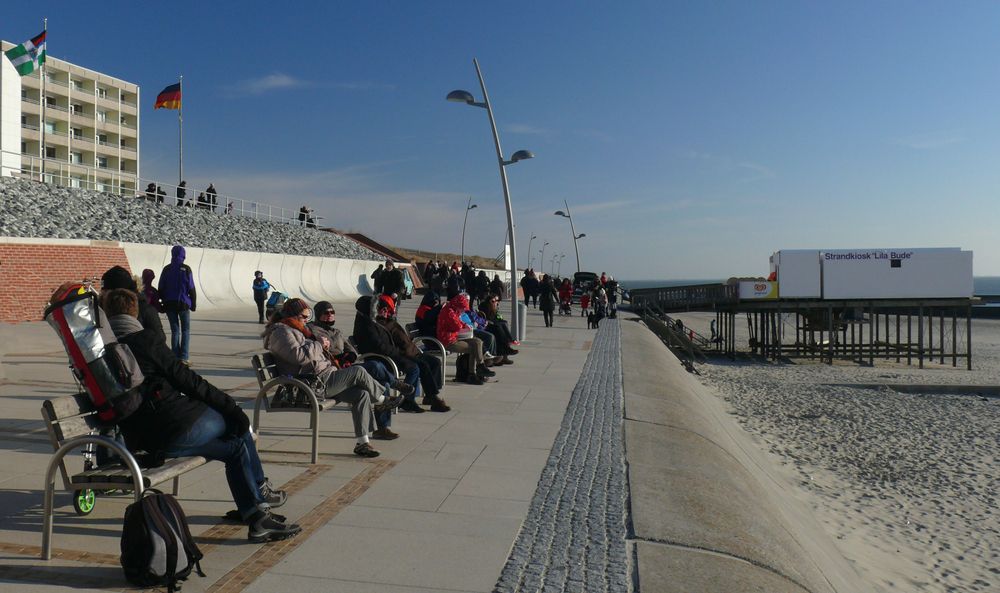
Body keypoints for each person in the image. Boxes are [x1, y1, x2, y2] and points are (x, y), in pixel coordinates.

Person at [102, 288, 300, 543]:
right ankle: (258, 507)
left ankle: (254, 510)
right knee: (237, 428)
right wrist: (232, 408)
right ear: (134, 312)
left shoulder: (101, 351)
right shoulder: (145, 341)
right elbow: (189, 381)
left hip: (144, 441)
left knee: (234, 446)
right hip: (173, 428)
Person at [263, 299, 402, 457]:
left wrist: (322, 347)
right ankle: (382, 400)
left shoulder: (296, 328)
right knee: (358, 371)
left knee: (361, 394)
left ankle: (363, 443)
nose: (306, 320)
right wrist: (319, 345)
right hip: (310, 384)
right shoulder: (282, 332)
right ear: (293, 315)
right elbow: (298, 356)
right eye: (304, 316)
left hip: (322, 377)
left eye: (308, 316)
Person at [307, 301, 412, 439]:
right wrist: (340, 354)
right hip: (333, 371)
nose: (330, 316)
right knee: (374, 366)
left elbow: (348, 347)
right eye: (326, 313)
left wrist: (350, 355)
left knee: (383, 382)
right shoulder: (314, 330)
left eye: (332, 312)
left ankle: (382, 428)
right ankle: (396, 385)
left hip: (345, 367)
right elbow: (329, 348)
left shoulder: (336, 331)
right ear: (318, 315)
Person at [353, 295, 450, 413]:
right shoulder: (368, 325)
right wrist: (399, 354)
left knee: (432, 362)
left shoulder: (373, 321)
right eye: (381, 309)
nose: (385, 312)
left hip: (394, 355)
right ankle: (408, 400)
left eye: (386, 309)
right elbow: (380, 346)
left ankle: (428, 396)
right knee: (416, 367)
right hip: (383, 359)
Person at [101, 265, 166, 344]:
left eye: (107, 292)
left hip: (138, 353)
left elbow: (159, 339)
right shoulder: (99, 309)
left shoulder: (144, 308)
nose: (103, 295)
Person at [437, 292, 490, 384]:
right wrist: (463, 326)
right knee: (474, 348)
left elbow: (459, 323)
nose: (463, 311)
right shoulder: (449, 312)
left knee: (477, 341)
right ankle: (472, 374)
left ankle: (481, 366)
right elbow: (456, 326)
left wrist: (464, 325)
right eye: (462, 309)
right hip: (449, 340)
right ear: (457, 305)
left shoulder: (453, 310)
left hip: (455, 336)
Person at [158, 245, 197, 364]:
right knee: (185, 330)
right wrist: (193, 304)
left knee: (175, 331)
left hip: (169, 304)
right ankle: (184, 357)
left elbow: (161, 287)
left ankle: (175, 356)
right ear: (183, 255)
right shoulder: (186, 269)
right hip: (183, 303)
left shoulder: (167, 269)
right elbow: (191, 288)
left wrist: (162, 302)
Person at [478, 294, 517, 365]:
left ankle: (509, 342)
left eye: (496, 300)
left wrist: (495, 308)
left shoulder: (494, 306)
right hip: (487, 325)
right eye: (493, 300)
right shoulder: (484, 306)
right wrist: (492, 307)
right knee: (498, 328)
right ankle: (507, 347)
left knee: (504, 323)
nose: (495, 302)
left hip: (493, 323)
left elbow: (495, 317)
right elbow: (485, 318)